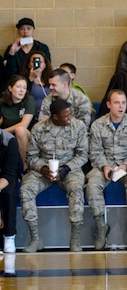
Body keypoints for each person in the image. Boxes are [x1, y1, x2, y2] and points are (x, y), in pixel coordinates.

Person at [20, 99, 88, 253]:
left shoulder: (78, 127)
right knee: (26, 190)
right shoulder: (39, 129)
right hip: (43, 169)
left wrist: (65, 169)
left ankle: (75, 239)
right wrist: (43, 168)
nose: (70, 118)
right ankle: (35, 238)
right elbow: (31, 157)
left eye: (71, 114)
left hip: (70, 167)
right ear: (55, 117)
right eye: (66, 116)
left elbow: (83, 155)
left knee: (76, 188)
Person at [86, 89, 127, 250]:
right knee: (92, 184)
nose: (121, 106)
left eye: (124, 102)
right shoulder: (98, 125)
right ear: (108, 105)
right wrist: (105, 166)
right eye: (117, 102)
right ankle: (100, 227)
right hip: (105, 164)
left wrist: (125, 166)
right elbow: (95, 152)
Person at [3, 18, 51, 87]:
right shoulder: (12, 48)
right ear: (18, 31)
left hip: (38, 83)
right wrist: (12, 53)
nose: (25, 32)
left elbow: (48, 68)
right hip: (17, 85)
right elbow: (8, 73)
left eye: (29, 29)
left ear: (34, 31)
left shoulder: (42, 48)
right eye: (22, 29)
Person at [0, 74, 36, 165]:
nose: (22, 90)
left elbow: (23, 125)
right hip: (7, 136)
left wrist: (2, 132)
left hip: (26, 134)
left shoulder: (29, 100)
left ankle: (25, 167)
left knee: (19, 130)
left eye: (24, 87)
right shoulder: (2, 102)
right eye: (18, 87)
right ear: (10, 88)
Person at [0, 129, 21, 255]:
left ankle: (9, 235)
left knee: (8, 193)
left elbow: (9, 173)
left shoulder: (9, 141)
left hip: (6, 175)